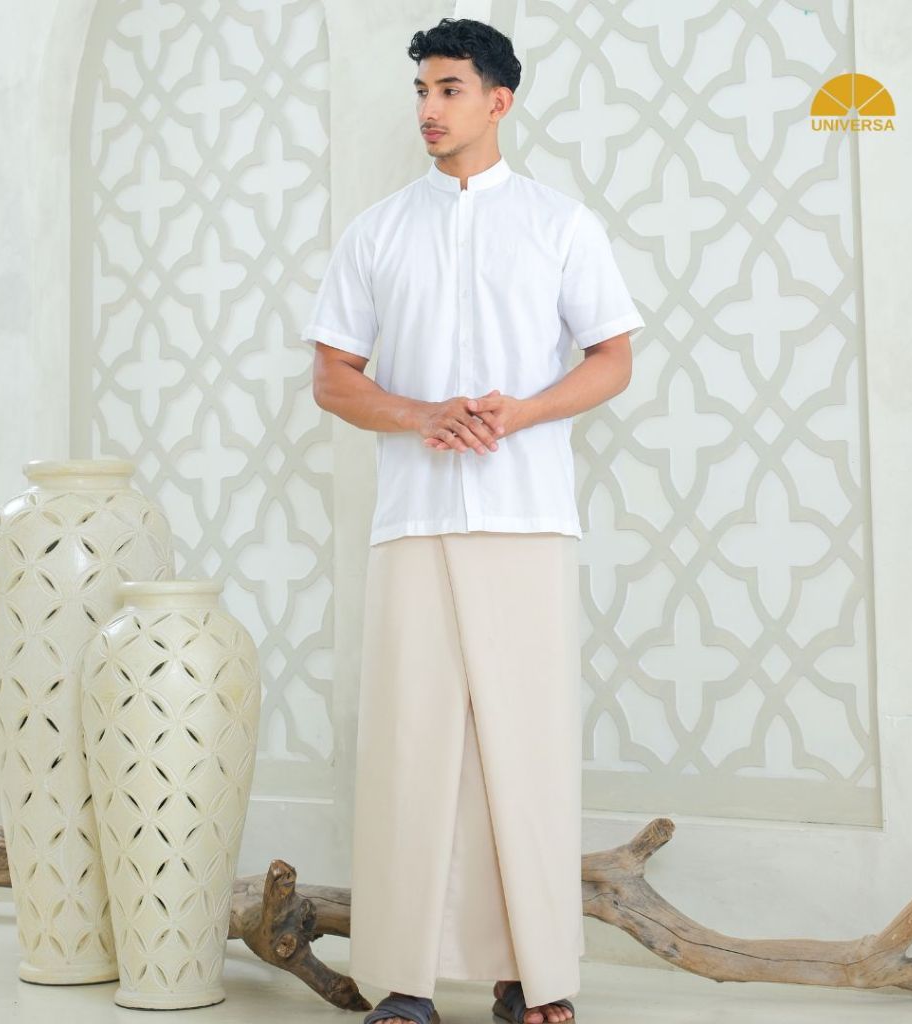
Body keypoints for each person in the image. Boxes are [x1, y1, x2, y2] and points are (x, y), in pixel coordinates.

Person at [300, 17, 644, 1024]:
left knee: (524, 751)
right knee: (411, 747)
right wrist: (421, 415)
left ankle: (530, 976)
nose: (429, 108)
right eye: (421, 89)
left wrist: (521, 412)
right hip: (412, 521)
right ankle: (404, 982)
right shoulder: (376, 232)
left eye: (448, 88)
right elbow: (332, 378)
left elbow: (613, 358)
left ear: (499, 101)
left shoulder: (560, 224)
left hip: (527, 516)